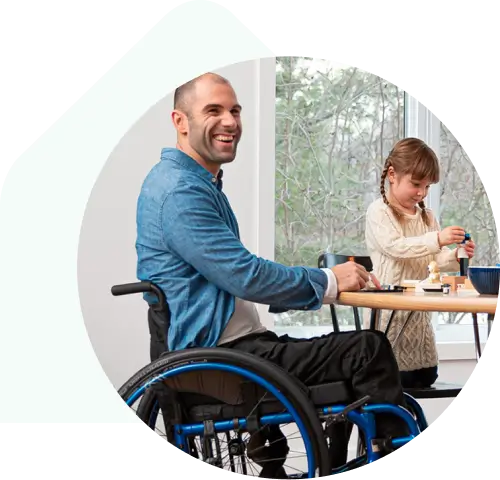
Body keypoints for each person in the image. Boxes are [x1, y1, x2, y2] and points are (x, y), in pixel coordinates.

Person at [135, 72, 410, 469]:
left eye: (235, 110)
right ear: (180, 121)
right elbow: (245, 275)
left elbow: (237, 276)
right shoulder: (181, 191)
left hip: (228, 350)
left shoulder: (193, 182)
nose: (230, 121)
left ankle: (333, 462)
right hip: (221, 360)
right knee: (367, 351)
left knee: (345, 353)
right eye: (213, 110)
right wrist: (329, 282)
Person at [365, 137, 476, 388]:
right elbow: (396, 248)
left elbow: (435, 261)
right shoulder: (379, 212)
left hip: (419, 333)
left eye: (427, 187)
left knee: (424, 379)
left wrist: (458, 254)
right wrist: (438, 238)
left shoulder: (426, 216)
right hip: (388, 329)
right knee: (388, 394)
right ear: (392, 175)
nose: (422, 193)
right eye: (416, 184)